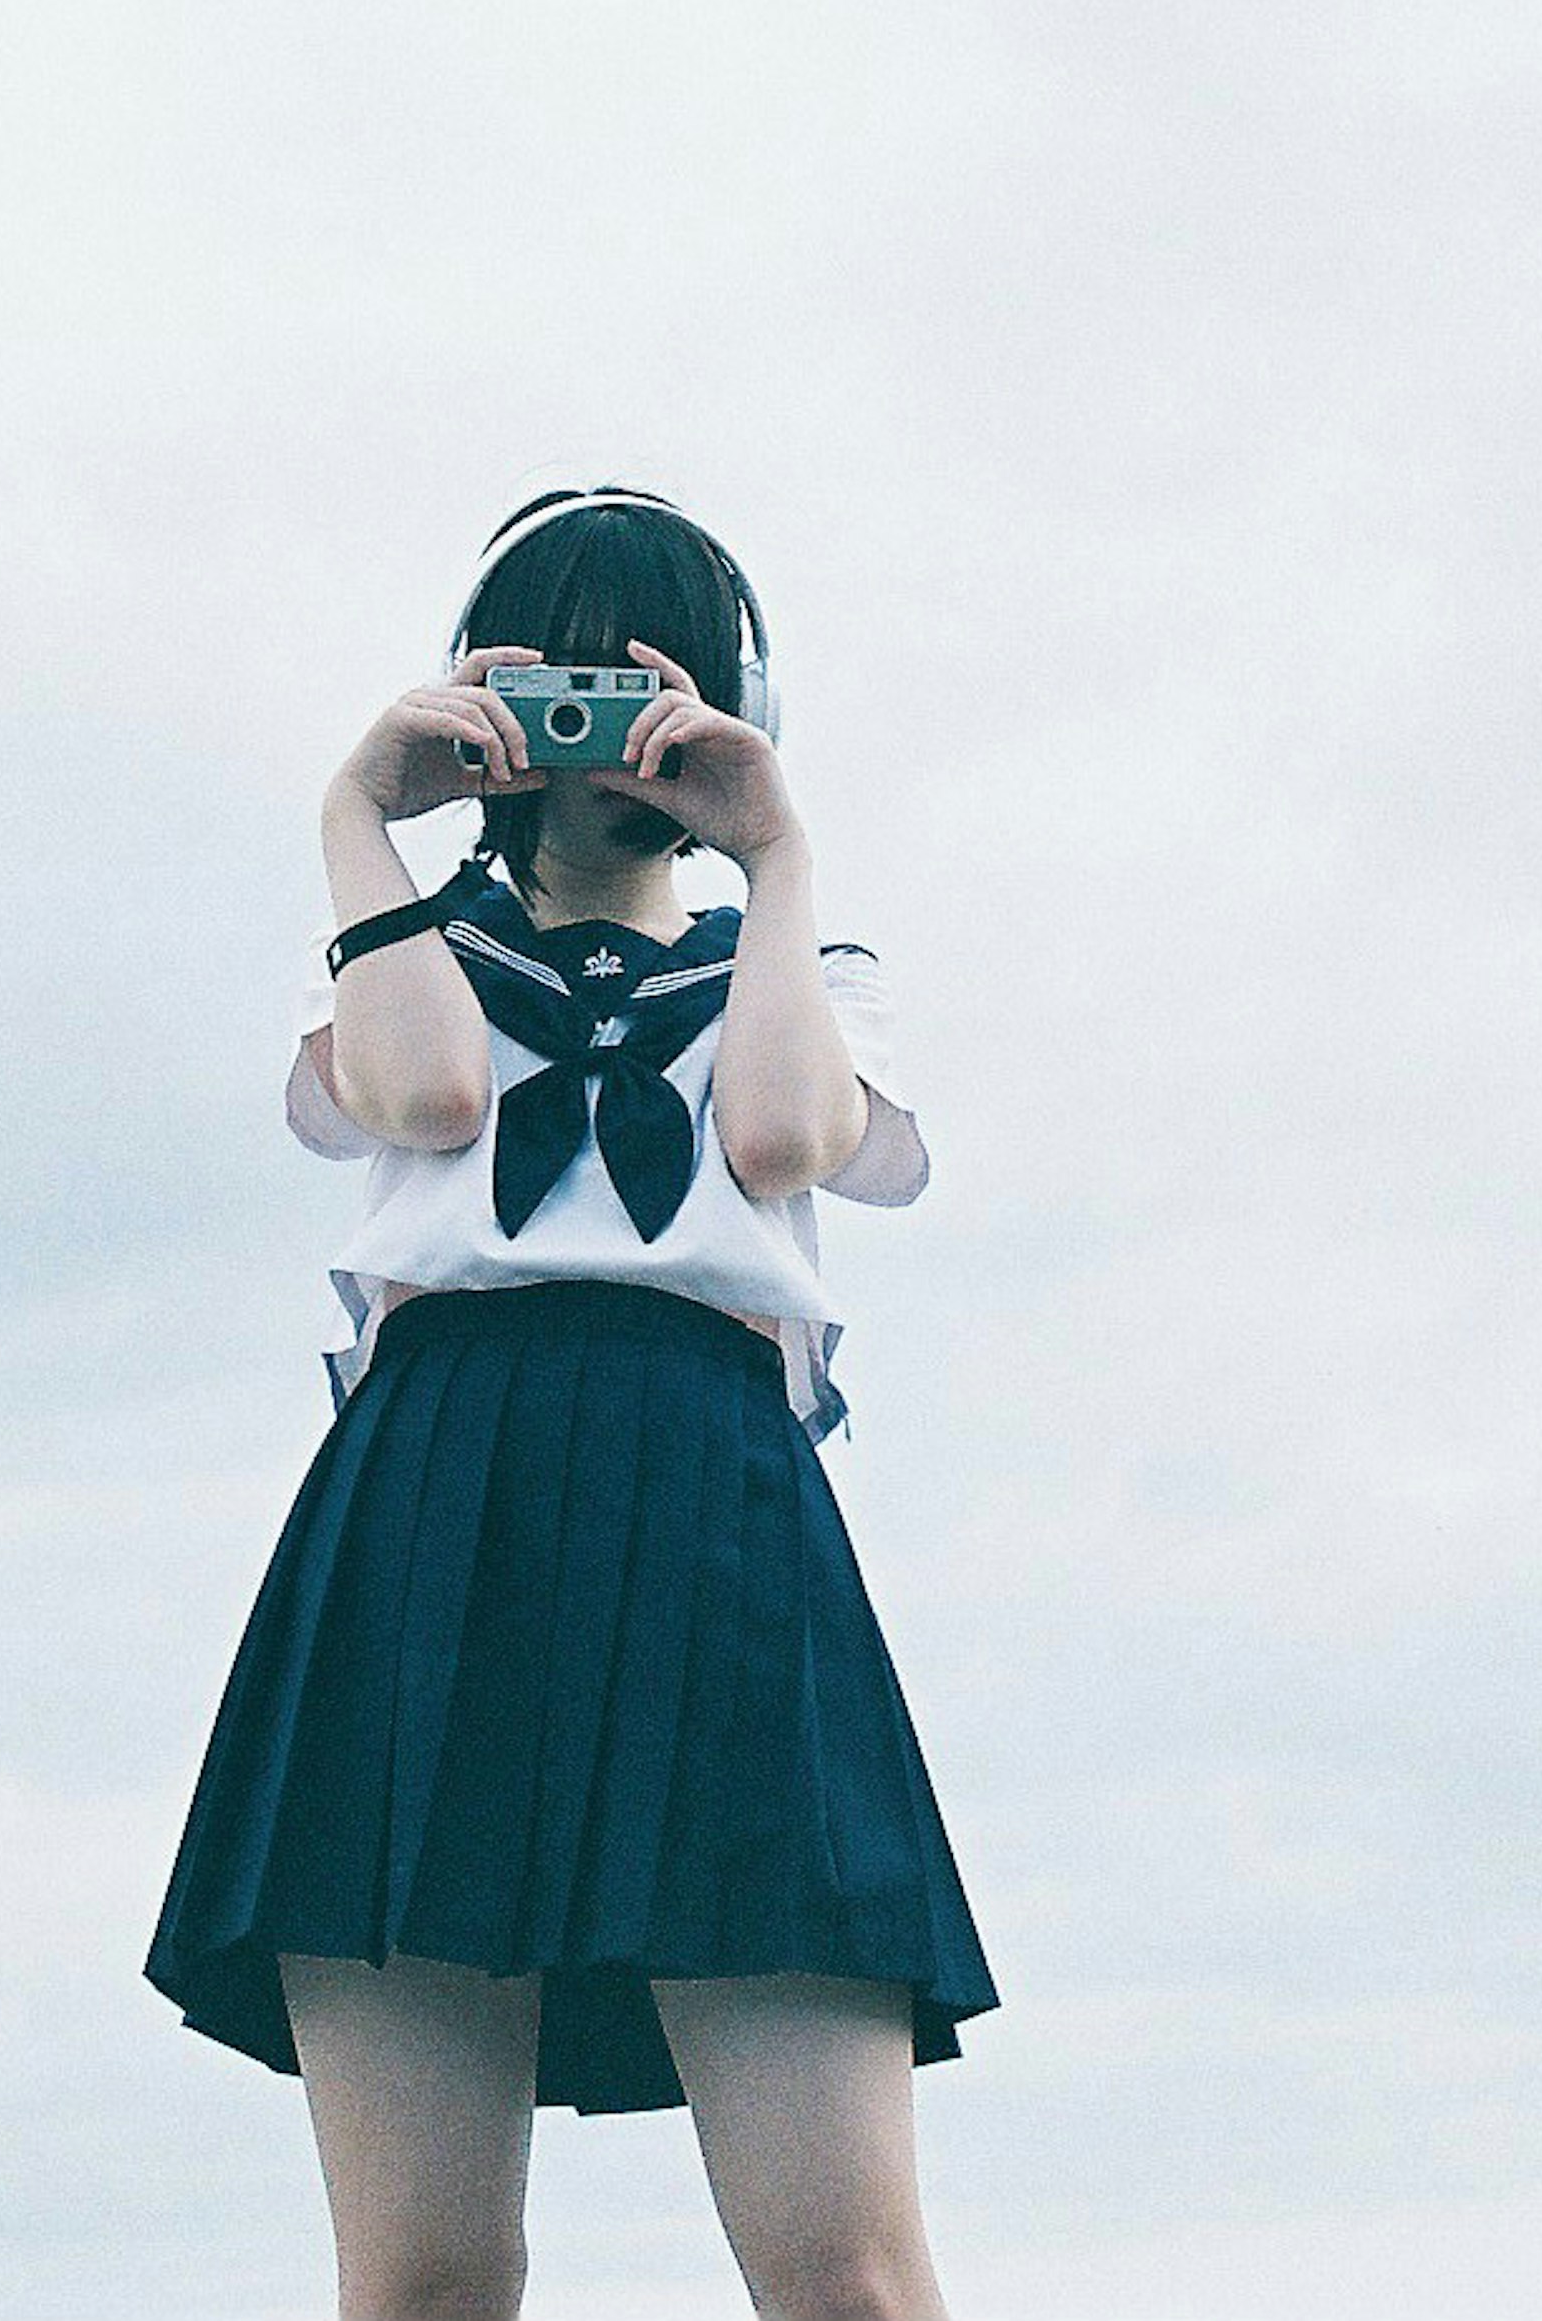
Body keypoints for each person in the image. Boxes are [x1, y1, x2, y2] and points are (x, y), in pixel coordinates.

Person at [143, 486, 997, 2320]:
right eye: (563, 665)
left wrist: (776, 857)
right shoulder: (394, 952)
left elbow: (781, 1136)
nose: (610, 708)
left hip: (716, 1510)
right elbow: (434, 1097)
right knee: (429, 2277)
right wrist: (354, 818)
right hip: (435, 1513)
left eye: (654, 664)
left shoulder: (813, 969)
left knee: (848, 2268)